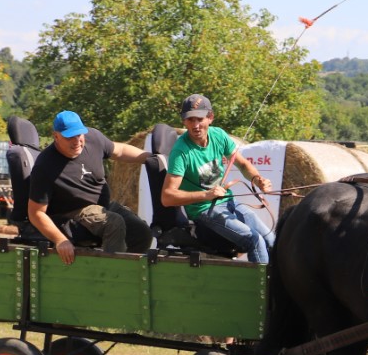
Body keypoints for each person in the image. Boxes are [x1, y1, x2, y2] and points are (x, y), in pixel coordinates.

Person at [160, 94, 275, 263]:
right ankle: (263, 289)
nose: (196, 125)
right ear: (184, 121)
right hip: (204, 210)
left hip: (228, 202)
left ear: (210, 117)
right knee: (254, 240)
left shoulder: (219, 135)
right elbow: (167, 197)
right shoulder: (181, 152)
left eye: (200, 119)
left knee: (271, 240)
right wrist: (206, 195)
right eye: (190, 120)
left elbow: (243, 165)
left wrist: (258, 180)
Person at [28, 110, 153, 265]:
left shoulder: (93, 138)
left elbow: (120, 151)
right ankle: (111, 275)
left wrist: (150, 159)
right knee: (113, 222)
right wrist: (60, 240)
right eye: (69, 137)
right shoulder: (45, 166)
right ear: (56, 136)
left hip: (102, 206)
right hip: (72, 213)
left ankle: (130, 272)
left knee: (142, 232)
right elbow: (36, 213)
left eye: (79, 135)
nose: (77, 141)